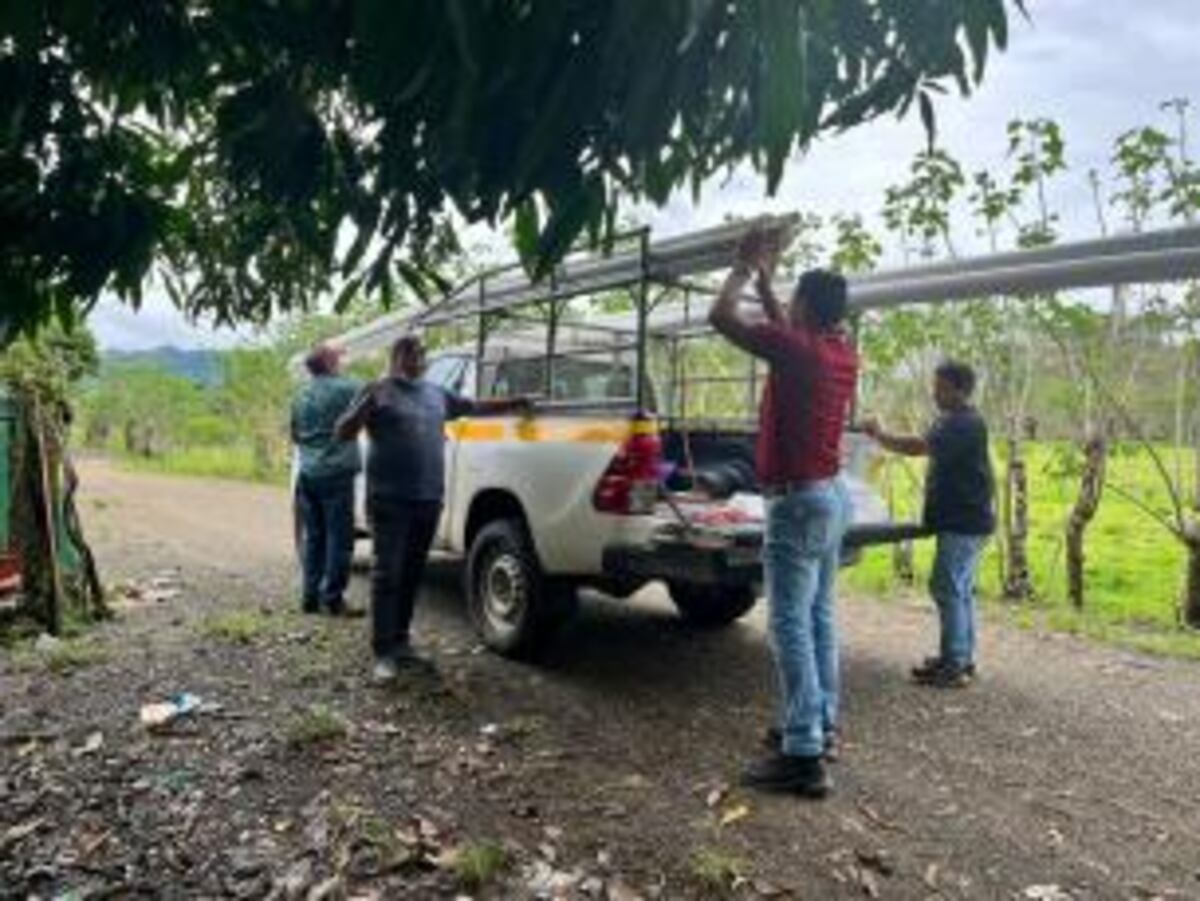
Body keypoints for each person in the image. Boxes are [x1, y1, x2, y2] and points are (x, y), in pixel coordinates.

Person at [709, 226, 858, 798]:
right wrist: (772, 284)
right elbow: (792, 330)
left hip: (796, 504)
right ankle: (821, 726)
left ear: (806, 310)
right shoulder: (840, 351)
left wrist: (745, 269)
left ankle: (802, 753)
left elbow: (721, 317)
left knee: (789, 624)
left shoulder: (798, 349)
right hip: (828, 497)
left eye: (793, 297)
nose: (786, 304)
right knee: (818, 618)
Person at [335, 334, 532, 683]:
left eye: (422, 353)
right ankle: (383, 653)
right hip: (389, 499)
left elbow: (473, 407)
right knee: (387, 575)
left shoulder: (436, 393)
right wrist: (365, 406)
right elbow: (342, 432)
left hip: (427, 498)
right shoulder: (378, 390)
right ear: (396, 356)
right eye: (412, 353)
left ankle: (401, 643)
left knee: (411, 573)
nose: (420, 358)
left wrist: (514, 402)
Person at [860, 360, 996, 688]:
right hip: (966, 520)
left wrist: (879, 434)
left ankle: (955, 664)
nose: (935, 393)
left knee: (947, 587)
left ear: (960, 390)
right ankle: (959, 657)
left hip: (965, 522)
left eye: (941, 388)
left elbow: (918, 446)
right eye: (935, 387)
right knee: (959, 590)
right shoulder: (952, 419)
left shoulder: (964, 423)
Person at [290, 342, 363, 616]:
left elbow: (295, 435)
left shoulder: (300, 395)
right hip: (336, 474)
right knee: (339, 539)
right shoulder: (348, 389)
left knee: (315, 538)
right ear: (331, 363)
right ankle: (333, 598)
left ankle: (309, 598)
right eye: (339, 358)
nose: (342, 362)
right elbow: (373, 404)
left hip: (307, 474)